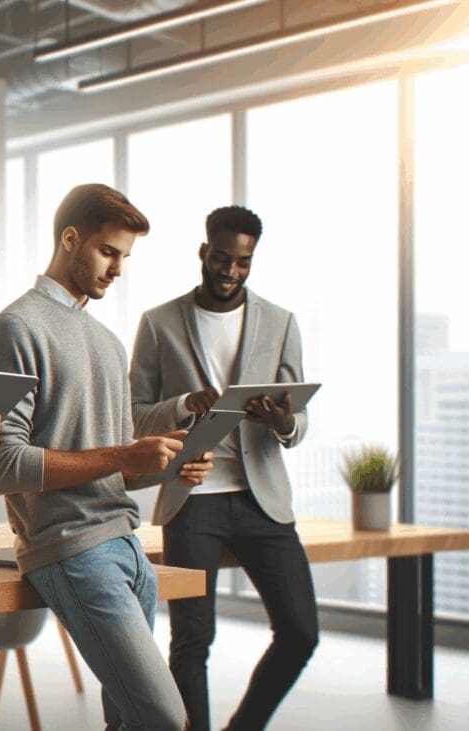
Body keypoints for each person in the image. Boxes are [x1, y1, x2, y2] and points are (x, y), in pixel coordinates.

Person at [0, 183, 212, 730]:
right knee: (165, 717)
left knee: (129, 720)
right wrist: (124, 455)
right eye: (109, 252)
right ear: (70, 239)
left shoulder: (108, 342)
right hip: (72, 551)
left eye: (126, 257)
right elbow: (2, 467)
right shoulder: (15, 329)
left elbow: (116, 467)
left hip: (128, 550)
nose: (118, 269)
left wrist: (172, 468)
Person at [129, 205, 317, 731]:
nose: (230, 272)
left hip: (263, 498)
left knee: (301, 631)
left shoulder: (281, 323)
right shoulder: (159, 323)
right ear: (203, 252)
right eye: (221, 259)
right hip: (193, 498)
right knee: (192, 639)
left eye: (243, 262)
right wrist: (185, 403)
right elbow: (133, 413)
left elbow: (298, 417)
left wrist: (283, 422)